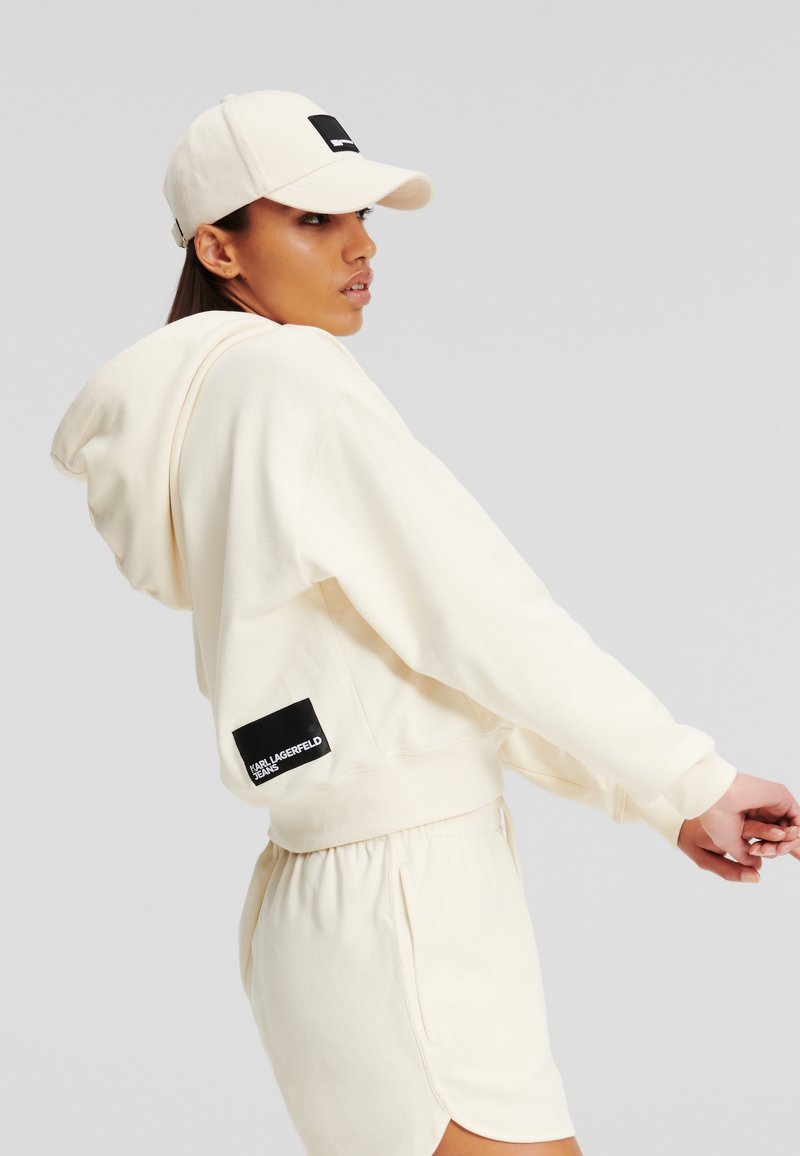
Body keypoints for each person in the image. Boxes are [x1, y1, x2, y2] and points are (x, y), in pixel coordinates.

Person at [49, 90, 800, 1156]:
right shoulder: (289, 378)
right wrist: (689, 777)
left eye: (360, 216)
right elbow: (480, 617)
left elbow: (426, 660)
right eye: (313, 220)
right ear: (219, 247)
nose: (359, 245)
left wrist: (659, 799)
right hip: (407, 899)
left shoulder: (210, 403)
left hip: (323, 896)